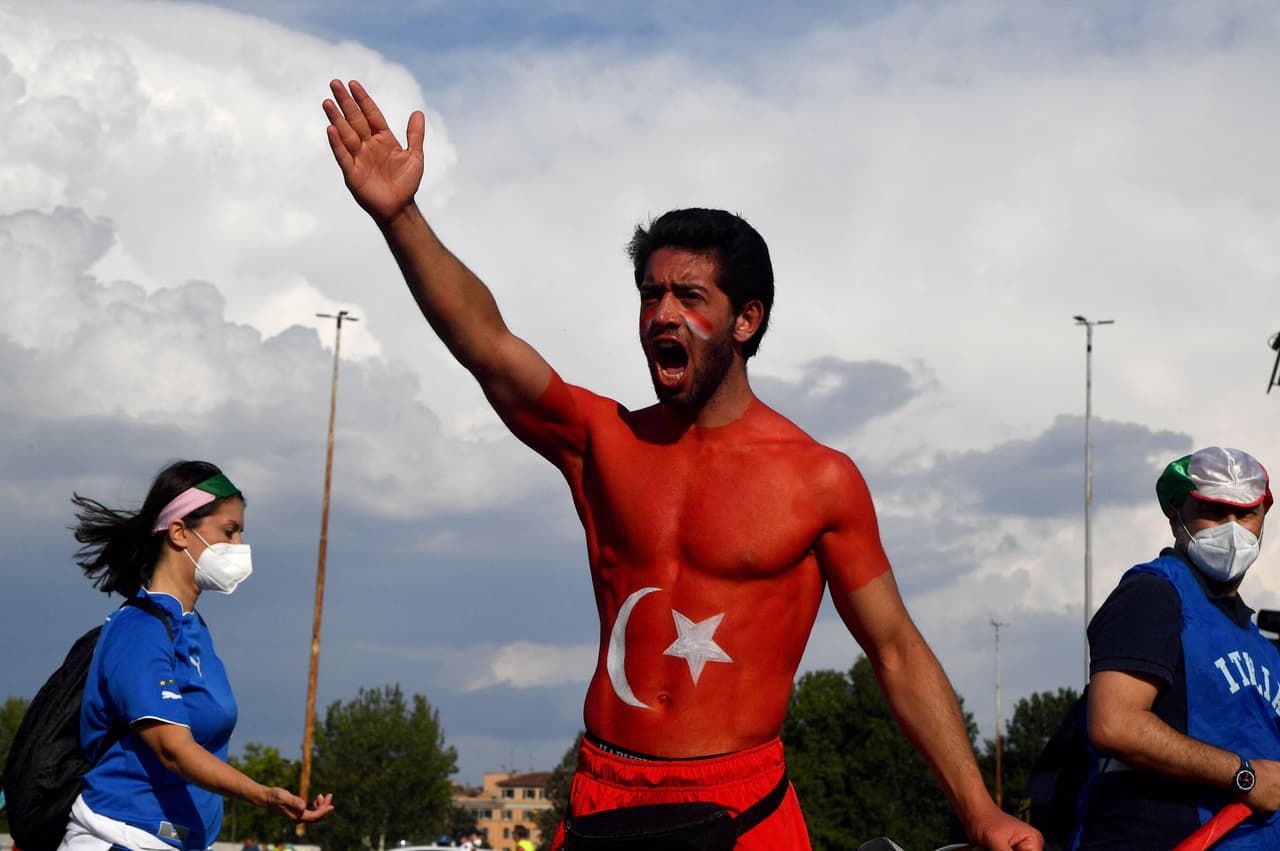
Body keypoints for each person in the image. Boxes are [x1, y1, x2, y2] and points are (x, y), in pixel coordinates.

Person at [323, 79, 1040, 851]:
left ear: (746, 318)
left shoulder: (818, 479)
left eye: (689, 295)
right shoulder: (602, 440)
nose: (662, 313)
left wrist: (979, 810)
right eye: (650, 294)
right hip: (604, 798)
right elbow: (488, 347)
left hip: (743, 808)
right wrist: (399, 217)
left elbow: (896, 649)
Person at [61, 460, 334, 851]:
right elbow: (173, 749)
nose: (240, 547)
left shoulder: (193, 626)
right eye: (229, 532)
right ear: (178, 532)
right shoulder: (139, 629)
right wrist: (263, 795)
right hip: (123, 838)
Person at [1076, 446, 1280, 849]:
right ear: (1175, 517)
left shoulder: (1260, 643)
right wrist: (1246, 776)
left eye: (1245, 514)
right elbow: (1114, 724)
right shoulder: (1153, 594)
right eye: (1214, 512)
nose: (1232, 529)